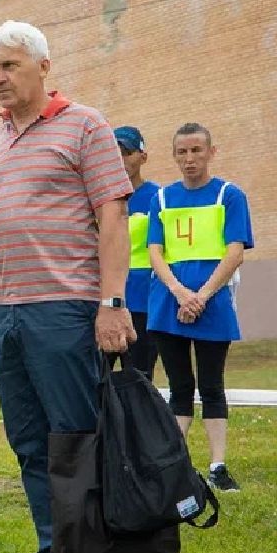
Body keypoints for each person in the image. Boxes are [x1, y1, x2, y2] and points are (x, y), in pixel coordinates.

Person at [0, 20, 135, 553]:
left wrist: (112, 303)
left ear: (43, 67)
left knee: (74, 435)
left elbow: (113, 218)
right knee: (29, 439)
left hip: (65, 304)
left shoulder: (85, 126)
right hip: (6, 308)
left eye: (8, 66)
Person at [146, 122, 252, 494]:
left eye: (196, 150)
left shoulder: (229, 195)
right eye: (182, 152)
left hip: (212, 305)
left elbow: (234, 251)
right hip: (168, 306)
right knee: (178, 387)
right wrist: (179, 293)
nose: (189, 159)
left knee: (212, 386)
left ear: (211, 152)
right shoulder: (162, 198)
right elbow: (155, 252)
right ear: (174, 156)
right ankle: (176, 466)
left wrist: (201, 296)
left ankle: (217, 466)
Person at [114, 125, 161, 379]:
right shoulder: (97, 199)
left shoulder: (158, 198)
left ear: (142, 156)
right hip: (104, 300)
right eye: (115, 152)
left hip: (143, 301)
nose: (121, 159)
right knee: (95, 377)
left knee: (139, 377)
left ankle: (138, 420)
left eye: (127, 152)